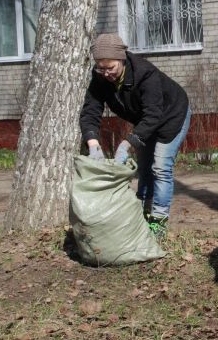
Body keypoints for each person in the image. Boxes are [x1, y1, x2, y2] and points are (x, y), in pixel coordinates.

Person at [80, 34, 190, 239]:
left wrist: (126, 144)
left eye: (110, 68)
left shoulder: (145, 74)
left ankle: (158, 223)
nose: (105, 74)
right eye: (100, 68)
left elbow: (154, 114)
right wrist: (92, 142)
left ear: (121, 59)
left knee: (160, 167)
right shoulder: (100, 78)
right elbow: (90, 112)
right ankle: (142, 214)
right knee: (144, 167)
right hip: (145, 121)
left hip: (172, 115)